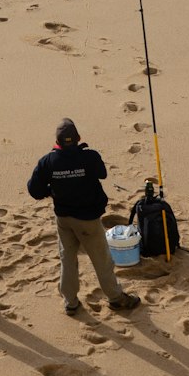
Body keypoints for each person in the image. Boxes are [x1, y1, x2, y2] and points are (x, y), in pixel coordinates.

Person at [27, 117, 141, 315]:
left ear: (58, 141)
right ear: (78, 138)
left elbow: (34, 190)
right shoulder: (89, 157)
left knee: (68, 259)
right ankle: (115, 298)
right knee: (102, 260)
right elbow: (102, 173)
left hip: (64, 218)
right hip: (88, 220)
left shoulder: (48, 161)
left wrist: (50, 189)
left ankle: (70, 302)